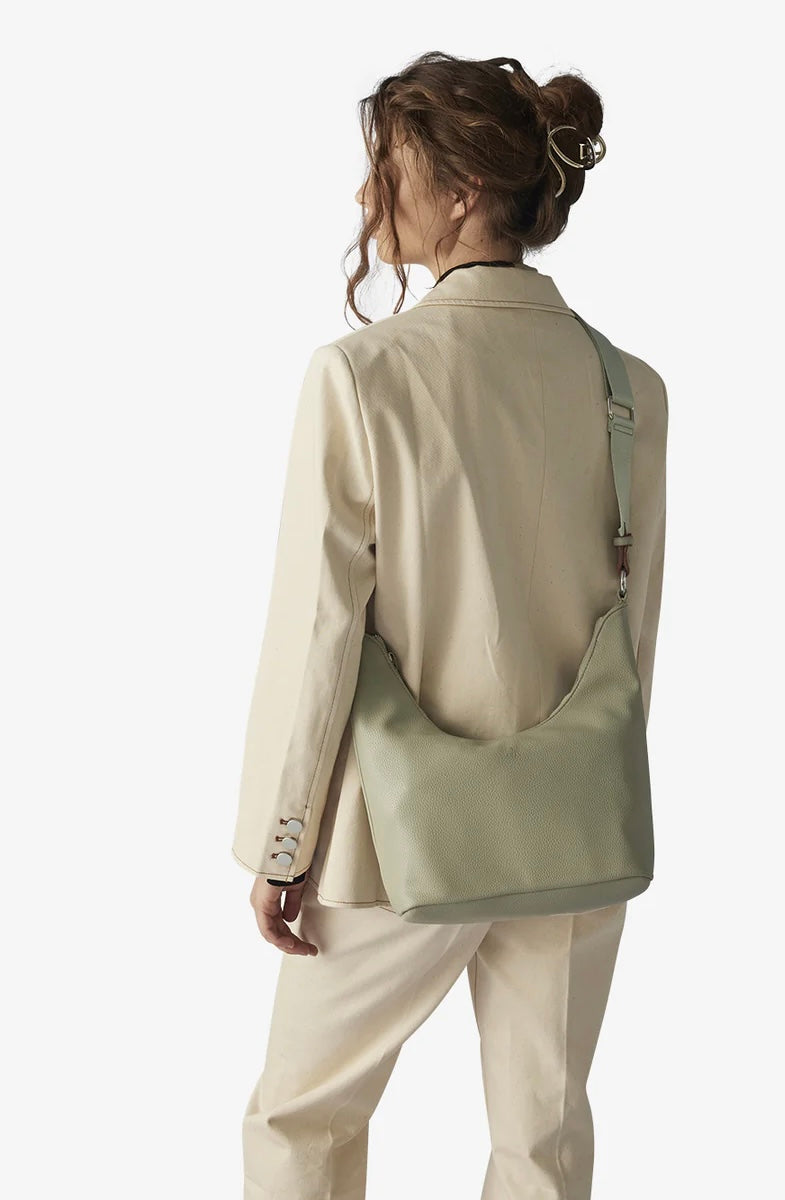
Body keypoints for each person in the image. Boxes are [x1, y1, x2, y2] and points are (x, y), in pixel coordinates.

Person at [232, 50, 668, 1200]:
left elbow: (321, 632)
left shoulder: (365, 377)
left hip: (397, 835)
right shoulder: (629, 391)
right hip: (575, 826)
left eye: (385, 167)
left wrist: (284, 844)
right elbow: (637, 628)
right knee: (543, 1145)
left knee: (301, 1117)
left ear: (464, 189)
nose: (364, 195)